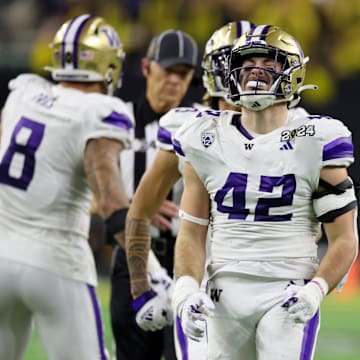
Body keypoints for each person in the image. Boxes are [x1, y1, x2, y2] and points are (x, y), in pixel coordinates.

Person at [170, 24, 358, 360]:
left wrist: (316, 290)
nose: (255, 71)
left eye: (268, 63)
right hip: (221, 290)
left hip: (286, 290)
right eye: (247, 62)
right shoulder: (204, 138)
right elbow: (190, 233)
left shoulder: (316, 140)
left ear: (292, 74)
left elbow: (345, 239)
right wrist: (185, 290)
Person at [0, 14, 133, 360]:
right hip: (55, 260)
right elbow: (111, 203)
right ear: (108, 64)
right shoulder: (101, 109)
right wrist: (149, 275)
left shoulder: (23, 94)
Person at [125, 20, 255, 360]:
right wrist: (142, 288)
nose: (252, 75)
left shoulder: (292, 128)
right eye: (241, 65)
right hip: (200, 280)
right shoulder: (189, 127)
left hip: (265, 280)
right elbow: (139, 212)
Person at [109, 29, 200, 360]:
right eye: (168, 71)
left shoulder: (199, 126)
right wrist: (136, 207)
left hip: (186, 261)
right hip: (133, 261)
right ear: (147, 68)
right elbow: (87, 194)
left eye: (184, 74)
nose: (175, 81)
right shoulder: (117, 121)